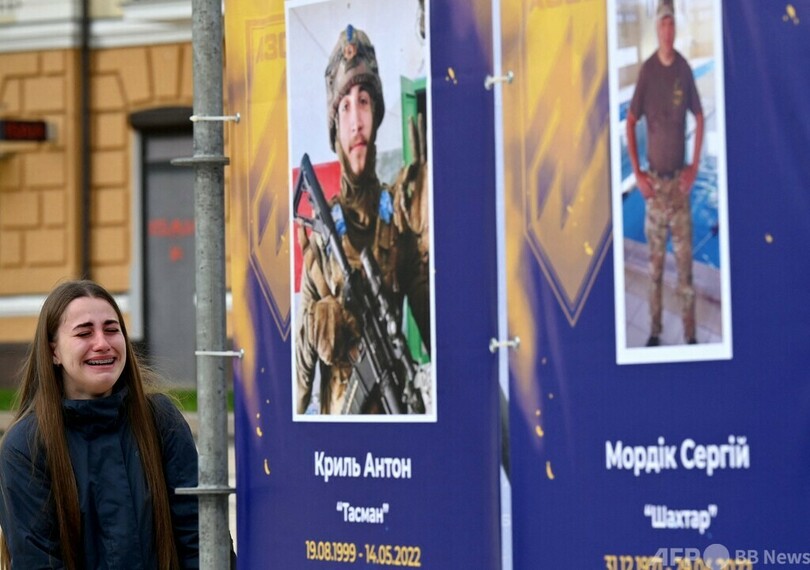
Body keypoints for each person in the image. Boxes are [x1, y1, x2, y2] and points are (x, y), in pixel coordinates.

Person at [0, 280, 199, 569]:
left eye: (111, 329)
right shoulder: (25, 447)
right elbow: (37, 562)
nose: (102, 344)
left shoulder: (160, 420)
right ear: (54, 351)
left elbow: (199, 540)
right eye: (84, 333)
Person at [295, 25, 430, 414]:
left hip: (394, 418)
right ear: (335, 126)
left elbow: (435, 328)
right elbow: (298, 386)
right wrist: (315, 327)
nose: (356, 121)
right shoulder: (321, 240)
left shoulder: (399, 221)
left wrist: (430, 239)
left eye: (365, 102)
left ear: (376, 113)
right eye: (345, 107)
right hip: (340, 430)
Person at [626, 0, 704, 347]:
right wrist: (637, 173)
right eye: (662, 24)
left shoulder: (684, 69)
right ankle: (655, 332)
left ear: (675, 28)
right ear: (657, 29)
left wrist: (695, 166)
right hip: (655, 189)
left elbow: (700, 116)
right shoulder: (647, 72)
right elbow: (630, 121)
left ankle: (690, 336)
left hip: (679, 189)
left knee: (685, 272)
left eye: (671, 24)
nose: (667, 30)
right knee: (655, 271)